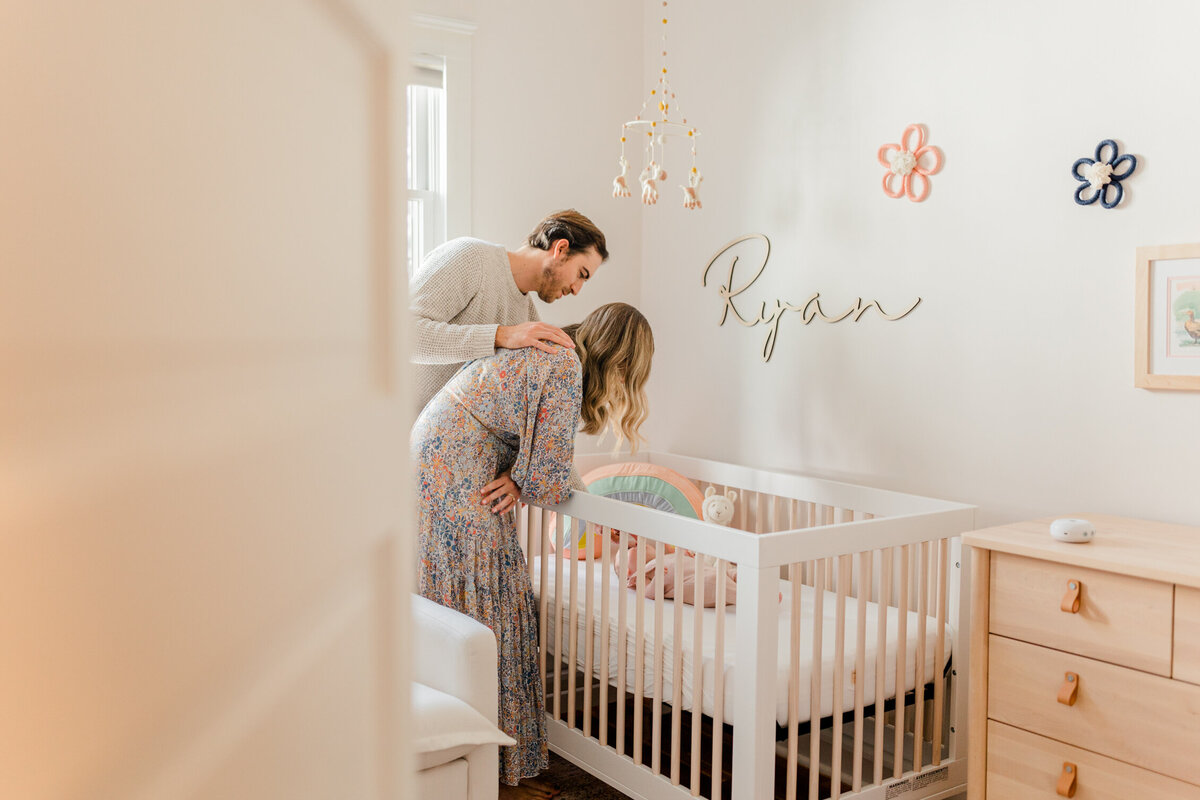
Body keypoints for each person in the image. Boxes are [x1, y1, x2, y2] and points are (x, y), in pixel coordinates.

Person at [411, 302, 653, 787]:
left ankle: (476, 741)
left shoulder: (555, 352)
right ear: (621, 358)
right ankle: (495, 750)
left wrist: (598, 513)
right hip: (458, 464)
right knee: (496, 594)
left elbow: (551, 463)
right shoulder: (563, 364)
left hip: (437, 451)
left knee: (466, 594)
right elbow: (549, 475)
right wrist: (528, 484)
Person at [409, 209, 609, 415]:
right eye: (581, 274)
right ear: (561, 249)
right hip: (395, 435)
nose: (577, 289)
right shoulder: (471, 257)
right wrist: (500, 335)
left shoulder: (528, 319)